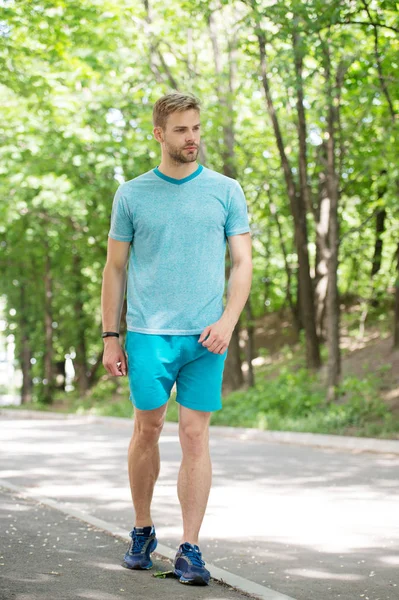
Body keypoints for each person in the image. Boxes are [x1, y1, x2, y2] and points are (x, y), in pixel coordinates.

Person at [101, 92, 252, 586]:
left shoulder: (226, 190)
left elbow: (243, 262)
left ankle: (190, 547)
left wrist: (229, 320)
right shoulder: (132, 194)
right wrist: (111, 336)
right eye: (182, 129)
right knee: (148, 428)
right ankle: (143, 530)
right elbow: (115, 269)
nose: (192, 138)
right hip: (148, 334)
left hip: (207, 336)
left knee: (194, 435)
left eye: (197, 128)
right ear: (159, 134)